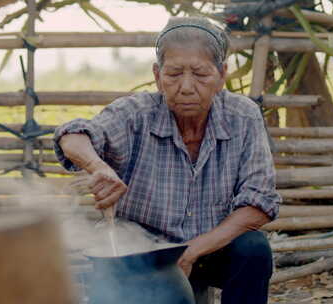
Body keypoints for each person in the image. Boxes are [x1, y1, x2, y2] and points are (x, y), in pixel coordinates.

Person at [54, 16, 281, 304]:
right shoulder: (135, 113)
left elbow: (258, 204)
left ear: (222, 75)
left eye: (200, 74)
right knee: (110, 273)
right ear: (157, 75)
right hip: (142, 256)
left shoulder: (242, 117)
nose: (186, 87)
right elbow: (72, 135)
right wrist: (98, 167)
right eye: (173, 74)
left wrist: (191, 251)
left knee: (253, 249)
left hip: (208, 248)